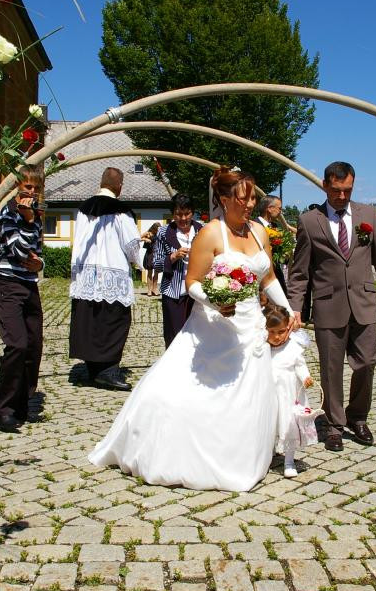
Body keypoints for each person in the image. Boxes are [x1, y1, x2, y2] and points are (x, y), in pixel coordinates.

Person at [89, 166, 292, 491]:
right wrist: (216, 302)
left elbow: (267, 278)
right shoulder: (210, 233)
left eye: (253, 197)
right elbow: (192, 282)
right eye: (243, 198)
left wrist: (289, 308)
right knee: (181, 395)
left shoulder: (259, 232)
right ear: (224, 200)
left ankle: (242, 455)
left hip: (250, 326)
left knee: (247, 395)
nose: (250, 204)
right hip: (213, 327)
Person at [287, 161, 376, 451]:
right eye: (336, 190)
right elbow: (299, 272)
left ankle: (358, 417)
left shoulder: (369, 215)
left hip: (364, 303)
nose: (342, 196)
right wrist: (295, 307)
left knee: (367, 363)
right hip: (328, 305)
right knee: (331, 368)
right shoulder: (309, 221)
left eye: (347, 190)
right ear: (325, 186)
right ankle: (335, 425)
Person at [69, 167, 144, 391]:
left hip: (87, 276)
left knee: (91, 322)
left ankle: (93, 368)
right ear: (119, 186)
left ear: (101, 183)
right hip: (113, 274)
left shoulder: (84, 208)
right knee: (114, 323)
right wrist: (145, 262)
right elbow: (131, 244)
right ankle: (108, 371)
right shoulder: (121, 211)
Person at [0, 166, 46, 432]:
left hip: (29, 284)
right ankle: (3, 408)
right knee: (17, 344)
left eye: (35, 188)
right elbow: (19, 249)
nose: (31, 192)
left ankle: (22, 403)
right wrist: (26, 221)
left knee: (34, 345)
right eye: (27, 187)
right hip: (7, 283)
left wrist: (38, 263)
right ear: (16, 188)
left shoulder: (34, 217)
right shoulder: (7, 214)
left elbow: (37, 251)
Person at [264, 301, 318, 478]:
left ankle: (289, 460)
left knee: (288, 425)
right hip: (269, 393)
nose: (277, 337)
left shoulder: (293, 347)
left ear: (288, 328)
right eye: (272, 332)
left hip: (288, 393)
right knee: (270, 423)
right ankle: (268, 454)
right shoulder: (264, 348)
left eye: (281, 332)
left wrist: (306, 377)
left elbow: (300, 365)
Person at [153, 193, 203, 347]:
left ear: (193, 212)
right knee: (175, 335)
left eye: (187, 213)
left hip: (198, 291)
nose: (183, 218)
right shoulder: (164, 232)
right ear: (173, 214)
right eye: (178, 214)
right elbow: (156, 263)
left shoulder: (203, 230)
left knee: (198, 335)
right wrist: (173, 257)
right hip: (173, 292)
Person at [256, 194, 289, 292]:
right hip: (260, 277)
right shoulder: (253, 225)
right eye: (279, 208)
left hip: (276, 276)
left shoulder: (276, 226)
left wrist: (285, 254)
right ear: (270, 209)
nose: (280, 212)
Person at [140, 222, 162, 296]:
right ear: (154, 228)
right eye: (157, 229)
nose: (158, 230)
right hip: (149, 254)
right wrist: (145, 239)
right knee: (149, 272)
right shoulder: (148, 233)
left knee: (156, 273)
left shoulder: (160, 234)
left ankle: (154, 289)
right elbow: (138, 238)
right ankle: (149, 290)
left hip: (157, 254)